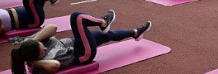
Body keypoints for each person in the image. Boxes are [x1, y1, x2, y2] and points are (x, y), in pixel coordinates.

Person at [10, 9, 152, 74]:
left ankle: (136, 33)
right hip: (81, 54)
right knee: (77, 18)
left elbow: (52, 27)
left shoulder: (29, 45)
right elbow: (55, 65)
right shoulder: (39, 68)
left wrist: (35, 40)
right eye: (43, 52)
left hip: (74, 42)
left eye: (43, 46)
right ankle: (102, 22)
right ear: (35, 59)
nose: (45, 49)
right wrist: (36, 63)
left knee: (107, 35)